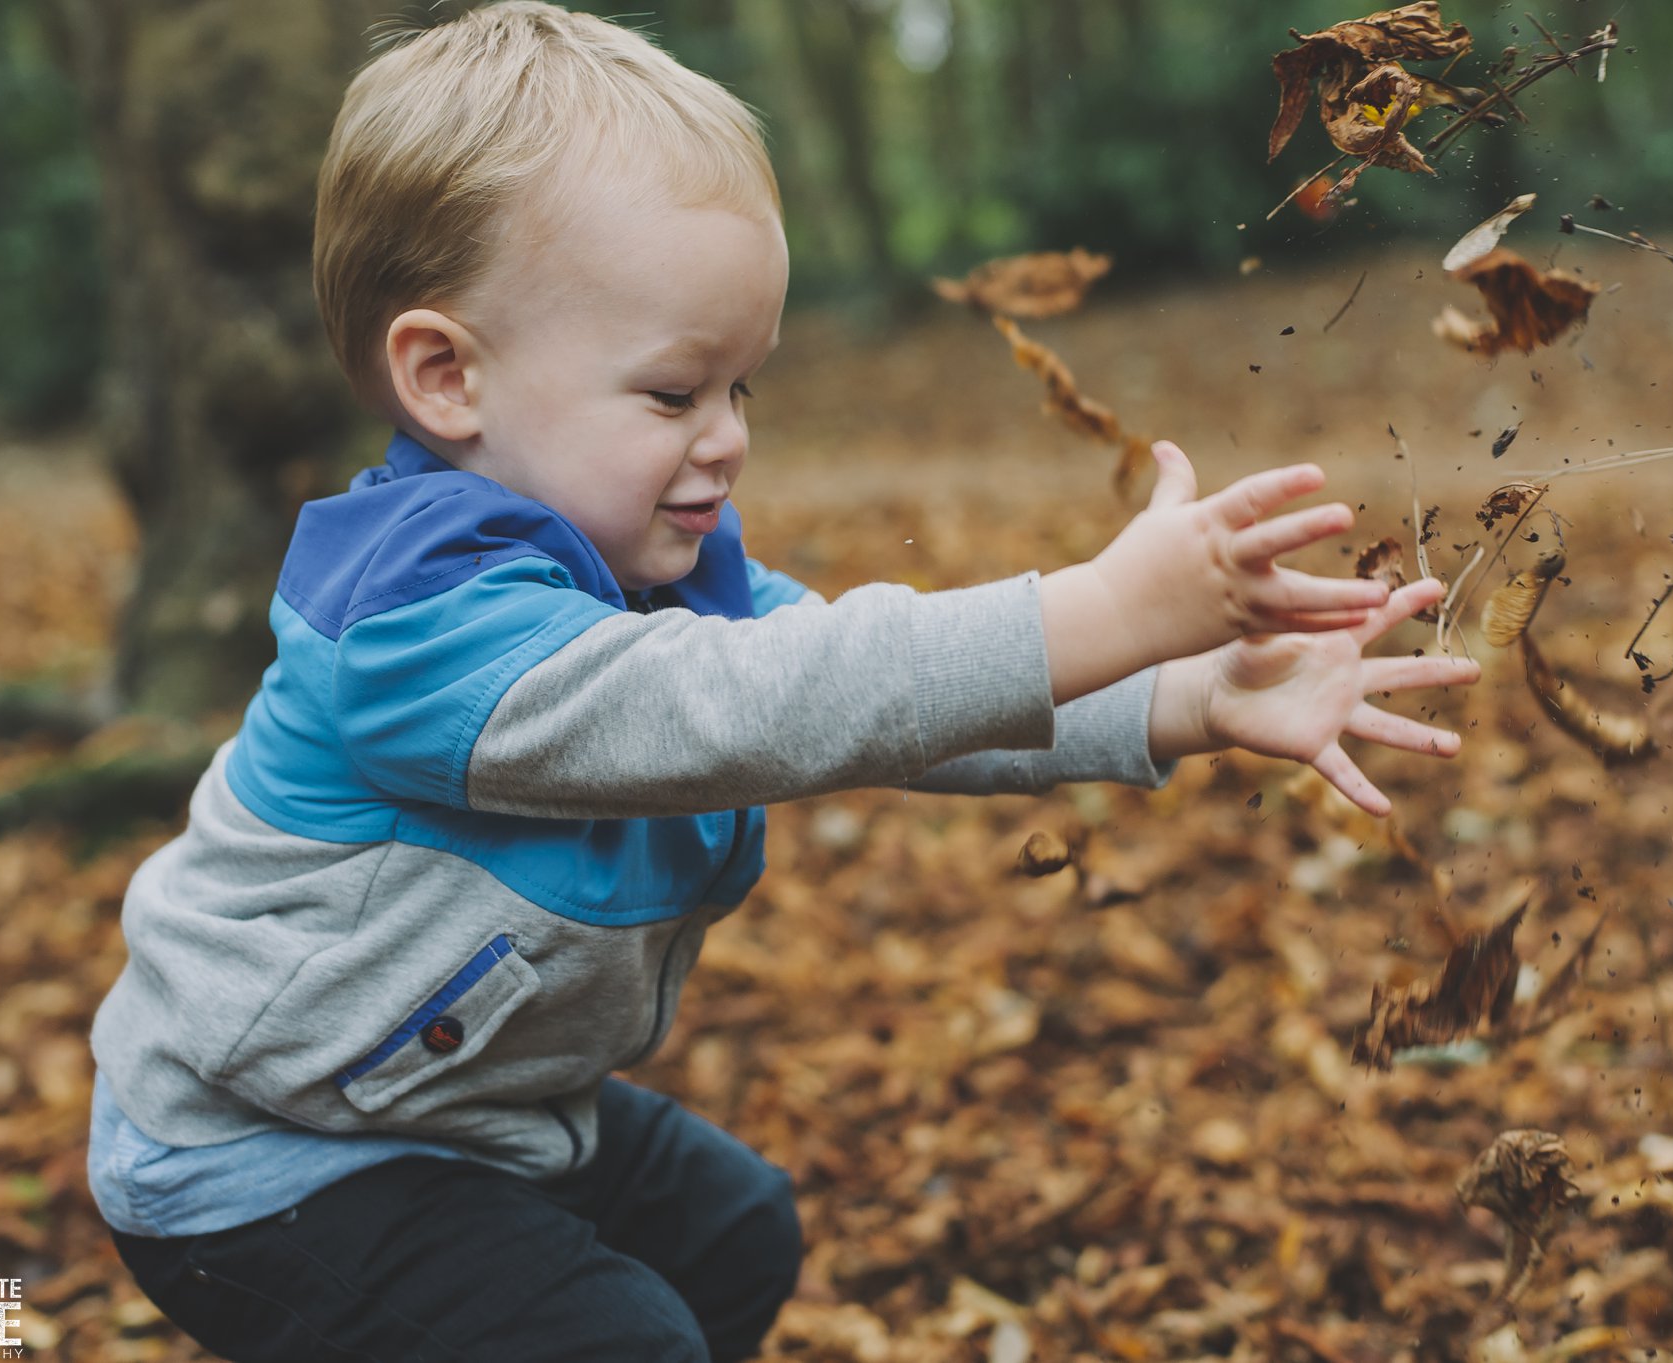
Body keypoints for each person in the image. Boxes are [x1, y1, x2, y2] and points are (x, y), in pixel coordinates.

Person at [85, 5, 1480, 1360]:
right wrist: (1104, 607)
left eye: (743, 389)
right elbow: (767, 704)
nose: (729, 439)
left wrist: (1185, 697)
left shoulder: (650, 579)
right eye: (673, 393)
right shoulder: (420, 628)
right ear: (447, 377)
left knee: (729, 1235)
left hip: (458, 1105)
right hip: (266, 1155)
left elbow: (892, 702)